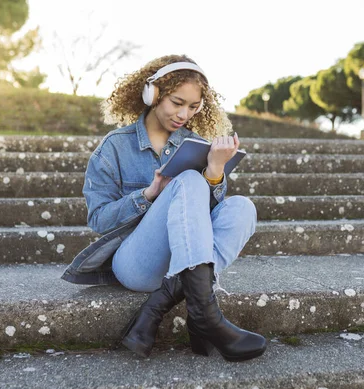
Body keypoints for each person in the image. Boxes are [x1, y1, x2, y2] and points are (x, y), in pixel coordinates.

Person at [82, 54, 266, 362]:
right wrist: (149, 193)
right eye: (177, 102)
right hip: (135, 263)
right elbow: (99, 220)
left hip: (182, 262)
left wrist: (216, 171)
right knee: (189, 181)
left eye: (193, 107)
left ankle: (166, 307)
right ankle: (207, 317)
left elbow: (206, 222)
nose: (184, 114)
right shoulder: (114, 147)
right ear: (152, 94)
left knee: (242, 208)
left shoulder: (195, 144)